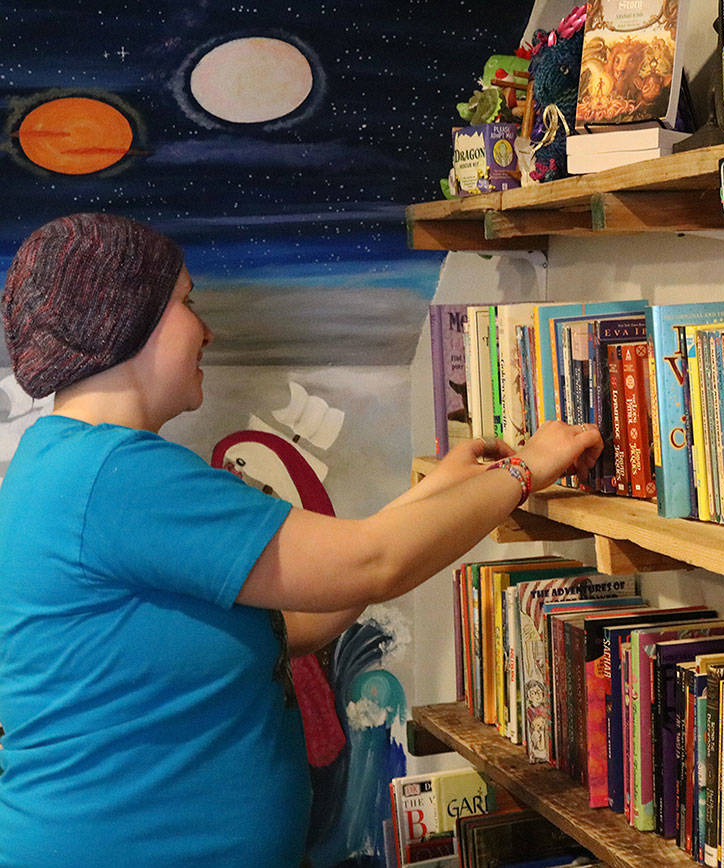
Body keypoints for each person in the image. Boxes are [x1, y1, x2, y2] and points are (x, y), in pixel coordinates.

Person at [0, 213, 603, 866]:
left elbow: (297, 620)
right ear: (125, 318)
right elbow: (374, 562)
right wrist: (526, 469)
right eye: (184, 302)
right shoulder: (116, 474)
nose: (205, 328)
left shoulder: (68, 461)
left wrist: (434, 494)